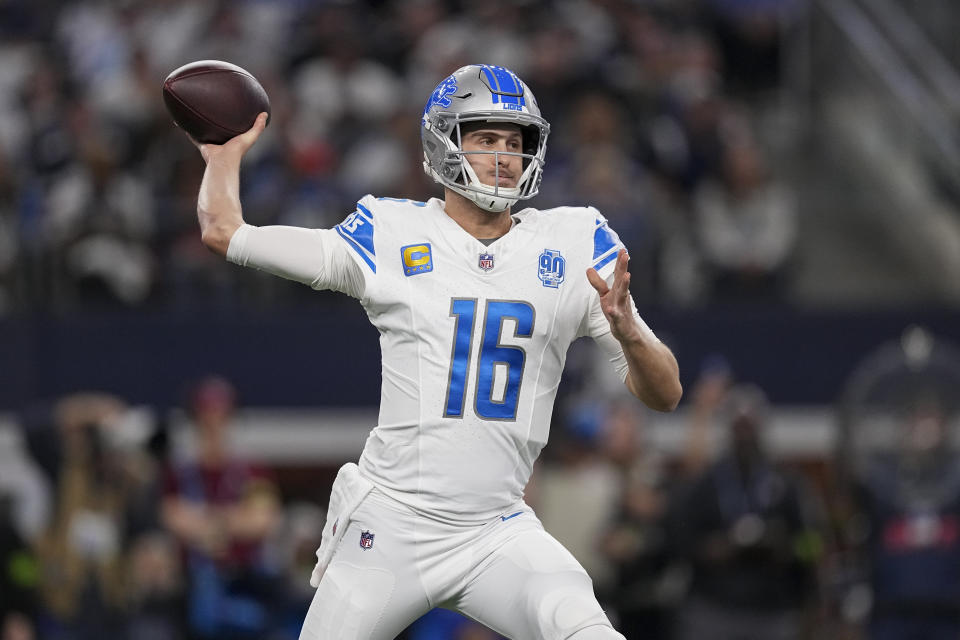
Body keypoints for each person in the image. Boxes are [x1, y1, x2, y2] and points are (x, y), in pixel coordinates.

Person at [186, 64, 682, 640]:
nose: (503, 156)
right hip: (392, 522)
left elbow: (666, 393)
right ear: (445, 142)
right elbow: (225, 232)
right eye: (485, 139)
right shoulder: (391, 233)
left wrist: (628, 330)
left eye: (515, 143)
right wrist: (221, 154)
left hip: (497, 529)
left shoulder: (573, 245)